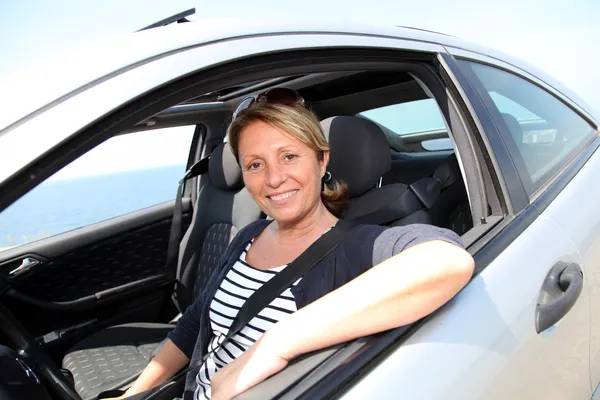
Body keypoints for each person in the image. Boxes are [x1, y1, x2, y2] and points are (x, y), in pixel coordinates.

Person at [114, 88, 474, 400]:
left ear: (322, 160)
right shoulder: (247, 237)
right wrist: (135, 393)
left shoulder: (356, 248)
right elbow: (196, 321)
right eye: (255, 164)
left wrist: (276, 343)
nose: (273, 179)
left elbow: (447, 263)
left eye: (289, 156)